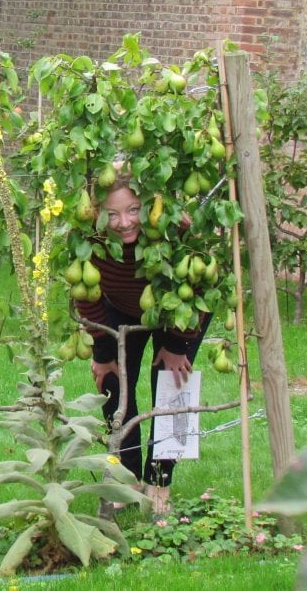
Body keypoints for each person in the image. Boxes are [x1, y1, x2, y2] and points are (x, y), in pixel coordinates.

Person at [76, 173, 210, 516]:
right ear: (97, 212)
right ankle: (130, 475)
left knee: (173, 385)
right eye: (113, 214)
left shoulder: (174, 229)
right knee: (112, 385)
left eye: (134, 210)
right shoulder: (88, 237)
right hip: (119, 307)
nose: (123, 223)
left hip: (179, 311)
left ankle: (160, 480)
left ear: (149, 204)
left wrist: (179, 344)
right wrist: (104, 355)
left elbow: (200, 286)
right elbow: (86, 296)